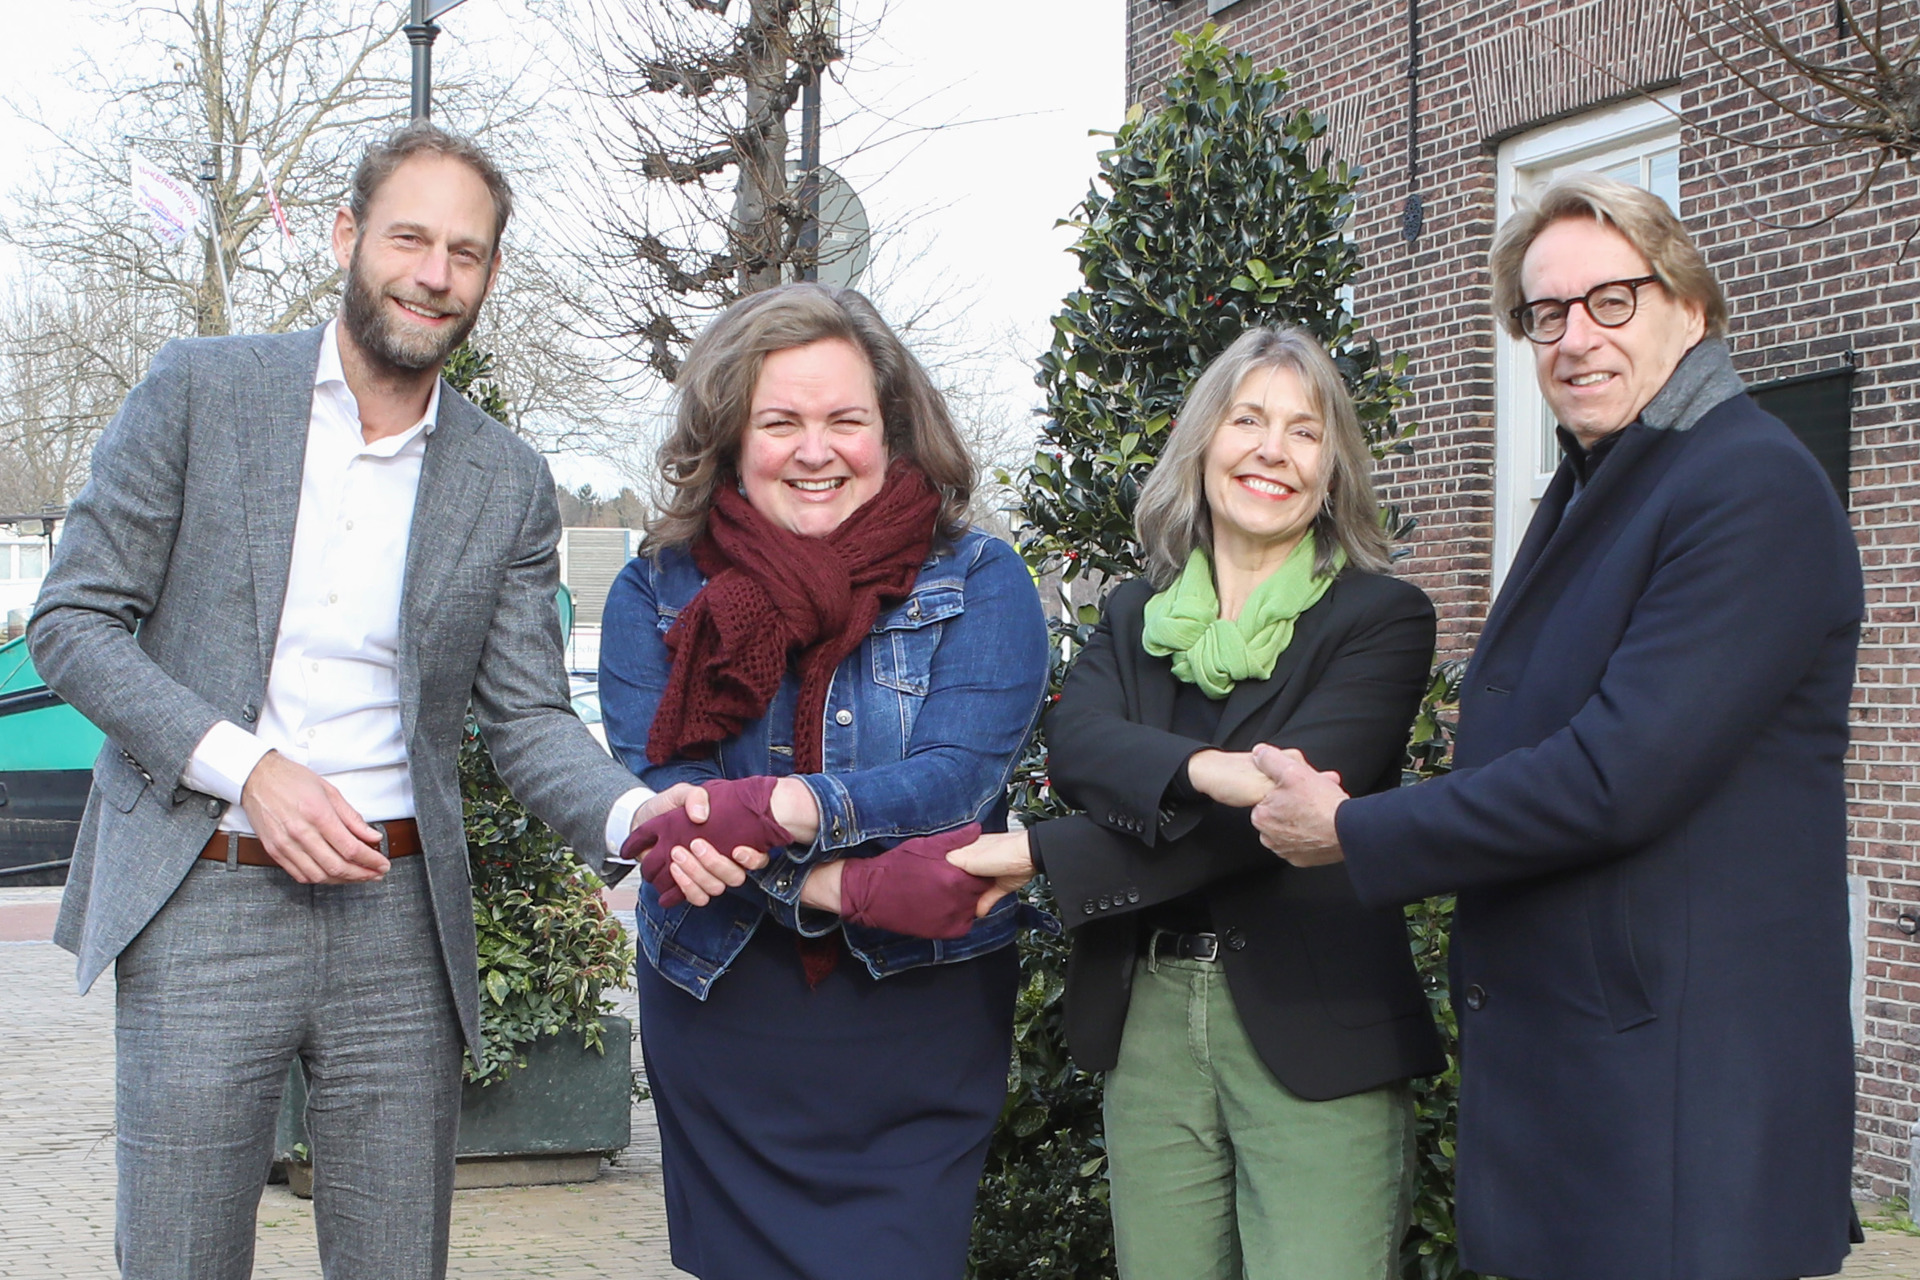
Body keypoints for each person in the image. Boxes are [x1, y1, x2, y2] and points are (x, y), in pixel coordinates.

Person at [28, 124, 702, 1280]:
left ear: (489, 274)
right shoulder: (200, 392)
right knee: (179, 1256)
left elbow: (528, 715)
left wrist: (638, 816)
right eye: (409, 238)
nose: (434, 274)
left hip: (398, 919)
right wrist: (249, 768)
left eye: (465, 252)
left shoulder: (506, 479)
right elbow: (73, 622)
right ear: (347, 236)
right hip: (203, 890)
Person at [1250, 173, 1863, 1280]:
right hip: (1598, 1074)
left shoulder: (1748, 483)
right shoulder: (1604, 480)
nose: (1575, 338)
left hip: (1678, 1100)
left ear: (1691, 306)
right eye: (1545, 313)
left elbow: (1615, 774)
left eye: (1611, 300)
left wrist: (1355, 830)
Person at [947, 326, 1445, 1279]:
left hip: (1317, 1023)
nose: (1273, 450)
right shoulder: (1137, 613)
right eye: (1247, 420)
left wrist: (1045, 853)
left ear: (1332, 468)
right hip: (1148, 1018)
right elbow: (1078, 749)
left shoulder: (1380, 619)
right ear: (1204, 443)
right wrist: (1212, 771)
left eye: (1305, 431)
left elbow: (1281, 824)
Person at [596, 281, 1050, 1280]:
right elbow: (675, 812)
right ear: (730, 436)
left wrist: (786, 805)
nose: (816, 450)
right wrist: (834, 882)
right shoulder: (657, 589)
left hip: (918, 1010)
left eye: (845, 420)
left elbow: (953, 784)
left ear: (892, 430)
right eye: (781, 422)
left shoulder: (980, 580)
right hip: (721, 999)